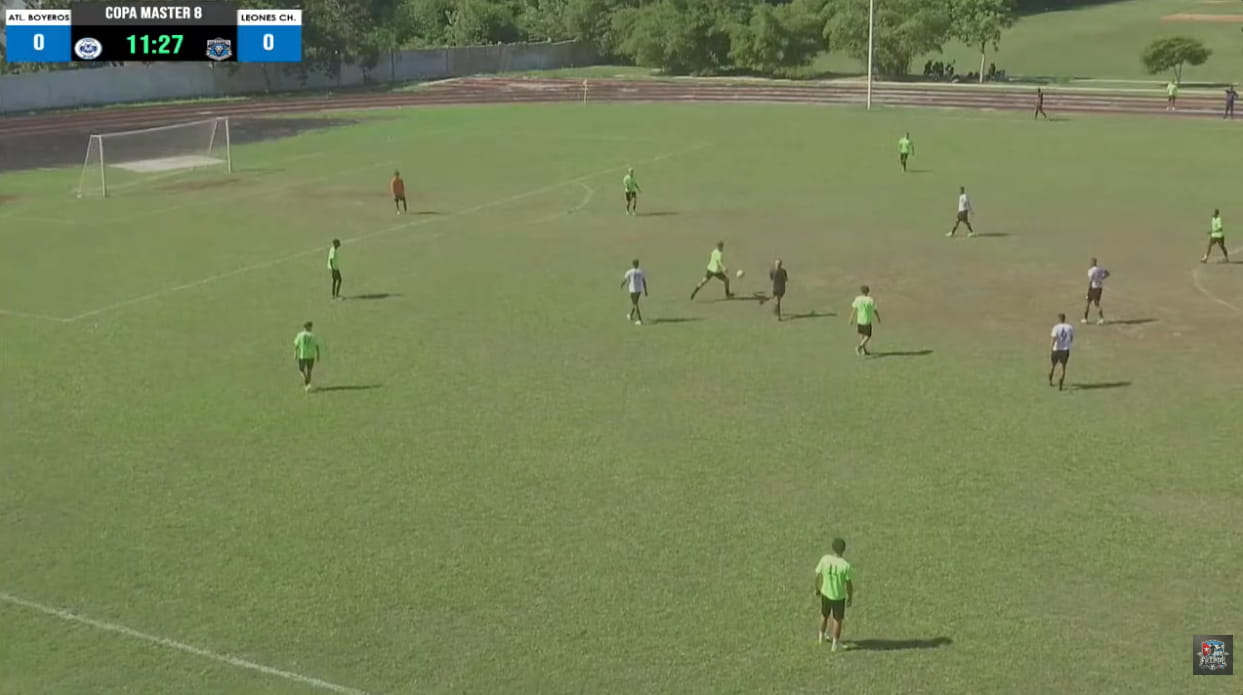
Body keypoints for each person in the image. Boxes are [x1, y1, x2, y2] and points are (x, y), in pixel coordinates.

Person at [814, 538, 854, 651]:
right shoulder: (845, 565)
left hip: (825, 593)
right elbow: (849, 584)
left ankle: (821, 638)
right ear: (844, 550)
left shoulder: (825, 559)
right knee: (837, 620)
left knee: (824, 615)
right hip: (838, 596)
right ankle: (834, 644)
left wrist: (817, 588)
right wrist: (850, 597)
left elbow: (817, 575)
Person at [848, 285, 879, 356]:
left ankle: (864, 351)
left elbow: (854, 310)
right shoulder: (870, 300)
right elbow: (875, 310)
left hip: (859, 320)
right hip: (867, 320)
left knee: (861, 335)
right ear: (868, 291)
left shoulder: (857, 299)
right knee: (868, 335)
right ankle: (859, 347)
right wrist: (878, 318)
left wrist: (851, 319)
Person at [1049, 313, 1074, 391]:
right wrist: (1068, 344)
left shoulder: (1056, 327)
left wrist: (1051, 347)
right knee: (1063, 367)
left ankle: (1050, 380)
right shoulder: (1069, 327)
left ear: (1059, 319)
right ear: (1064, 318)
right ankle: (1061, 383)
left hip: (1056, 349)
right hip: (1065, 350)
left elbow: (1054, 338)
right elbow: (1071, 338)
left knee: (1053, 366)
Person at [294, 321, 321, 392]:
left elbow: (296, 344)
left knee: (301, 370)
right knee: (309, 371)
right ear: (309, 327)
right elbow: (317, 346)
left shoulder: (300, 335)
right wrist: (318, 354)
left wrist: (295, 353)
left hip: (302, 355)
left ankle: (306, 381)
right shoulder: (313, 335)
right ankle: (308, 385)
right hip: (311, 356)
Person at [621, 258, 648, 325]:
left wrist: (622, 285)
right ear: (638, 264)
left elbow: (625, 280)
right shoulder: (641, 271)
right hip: (639, 290)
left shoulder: (629, 271)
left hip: (632, 290)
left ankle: (640, 320)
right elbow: (644, 281)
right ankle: (630, 315)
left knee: (635, 304)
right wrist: (645, 290)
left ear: (633, 264)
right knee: (635, 303)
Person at [1083, 258, 1109, 325]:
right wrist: (1102, 278)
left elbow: (1091, 280)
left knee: (1092, 303)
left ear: (1092, 263)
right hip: (1099, 287)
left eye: (1090, 262)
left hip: (1093, 288)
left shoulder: (1090, 271)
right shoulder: (1100, 269)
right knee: (1093, 303)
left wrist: (1089, 289)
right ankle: (1086, 319)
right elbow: (1107, 273)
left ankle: (1098, 318)